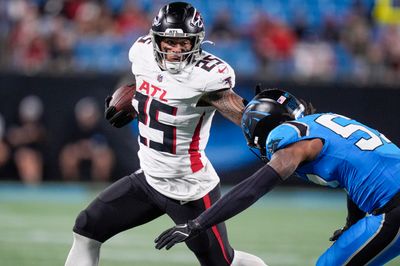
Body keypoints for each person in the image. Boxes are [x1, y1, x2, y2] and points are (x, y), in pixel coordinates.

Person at [65, 2, 267, 266]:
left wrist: (263, 122)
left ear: (197, 42)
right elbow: (149, 83)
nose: (175, 50)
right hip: (149, 179)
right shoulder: (142, 54)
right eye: (168, 42)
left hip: (190, 190)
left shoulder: (207, 78)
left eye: (184, 43)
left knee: (223, 263)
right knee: (86, 228)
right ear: (155, 39)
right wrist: (133, 99)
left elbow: (239, 112)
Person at [155, 88, 400, 266]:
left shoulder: (290, 138)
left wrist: (198, 223)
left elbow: (255, 187)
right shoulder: (324, 123)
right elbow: (357, 173)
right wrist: (352, 224)